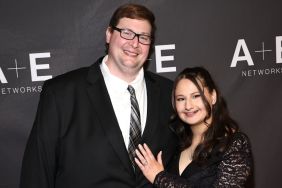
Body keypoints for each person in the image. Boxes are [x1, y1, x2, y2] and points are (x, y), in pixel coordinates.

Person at [20, 3, 177, 188]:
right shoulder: (61, 93)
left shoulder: (170, 93)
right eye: (126, 33)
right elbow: (37, 172)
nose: (134, 43)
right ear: (109, 34)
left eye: (143, 37)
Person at [135, 67, 253, 187]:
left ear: (213, 96)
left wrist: (160, 177)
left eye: (196, 96)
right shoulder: (175, 144)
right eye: (181, 99)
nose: (188, 106)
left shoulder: (235, 143)